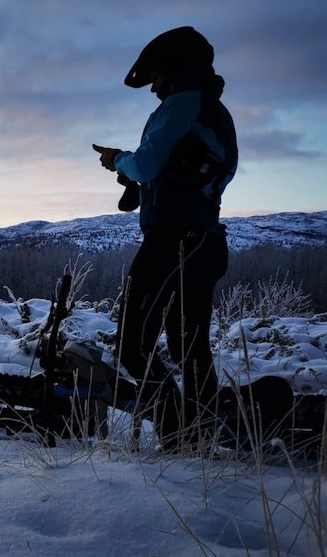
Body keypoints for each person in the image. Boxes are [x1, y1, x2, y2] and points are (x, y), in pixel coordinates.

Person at [92, 26, 238, 450]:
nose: (154, 89)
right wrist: (145, 177)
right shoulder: (212, 110)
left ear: (174, 71)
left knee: (132, 345)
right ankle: (199, 435)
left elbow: (147, 163)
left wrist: (119, 159)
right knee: (189, 347)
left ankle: (174, 429)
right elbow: (190, 172)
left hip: (172, 243)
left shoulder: (183, 103)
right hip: (204, 241)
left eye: (156, 78)